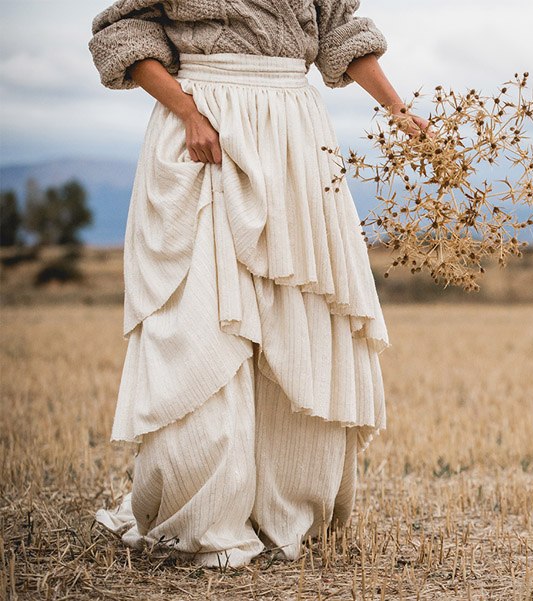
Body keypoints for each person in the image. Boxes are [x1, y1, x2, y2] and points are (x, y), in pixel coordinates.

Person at [87, 0, 426, 568]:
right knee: (202, 319)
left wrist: (398, 110)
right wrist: (187, 111)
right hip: (206, 130)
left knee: (302, 317)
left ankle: (285, 509)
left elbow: (341, 32)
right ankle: (204, 517)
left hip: (296, 138)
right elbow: (121, 34)